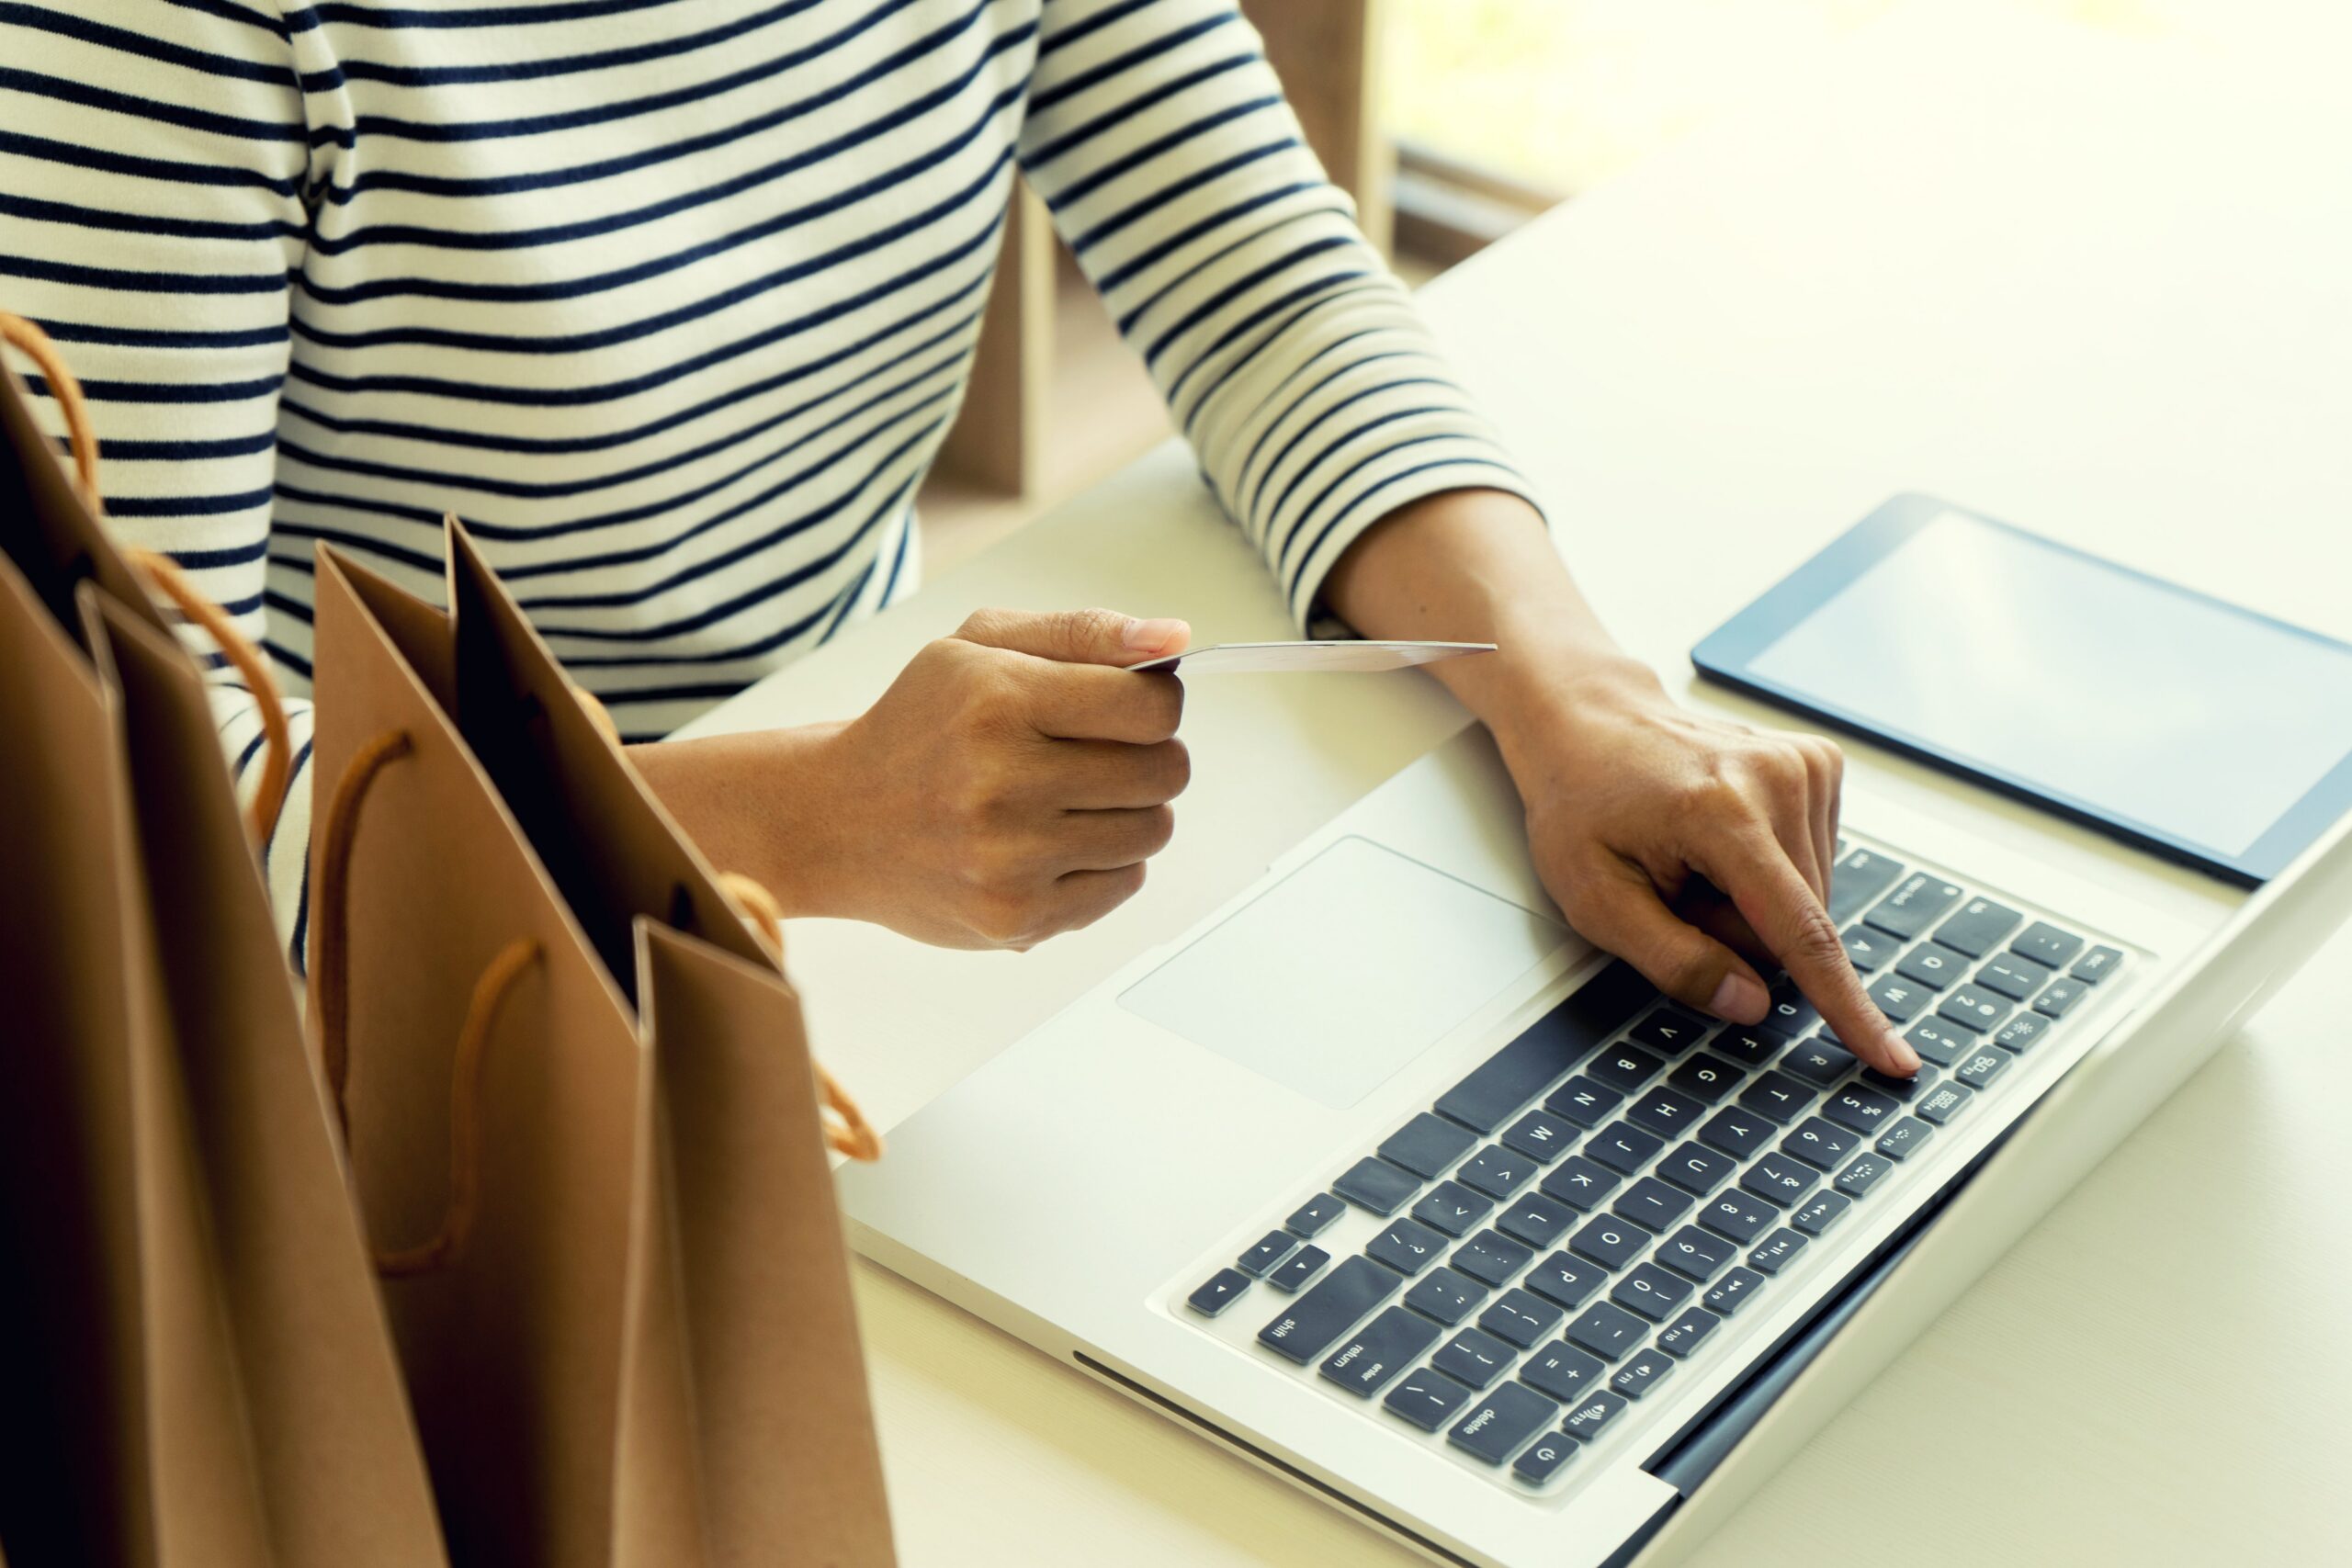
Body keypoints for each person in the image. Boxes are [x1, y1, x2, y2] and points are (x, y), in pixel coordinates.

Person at [0, 0, 1916, 1074]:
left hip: (876, 909)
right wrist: (809, 820)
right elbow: (140, 827)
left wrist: (1571, 694)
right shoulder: (149, 33)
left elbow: (1263, 296)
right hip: (418, 980)